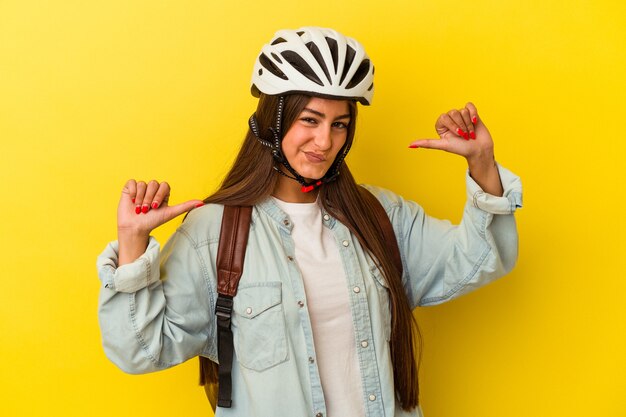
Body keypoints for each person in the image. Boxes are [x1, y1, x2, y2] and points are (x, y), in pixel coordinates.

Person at [97, 27, 522, 417]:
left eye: (340, 124)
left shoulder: (380, 216)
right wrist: (133, 243)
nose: (326, 142)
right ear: (273, 122)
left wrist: (482, 163)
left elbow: (481, 259)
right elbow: (140, 351)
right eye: (310, 120)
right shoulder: (214, 233)